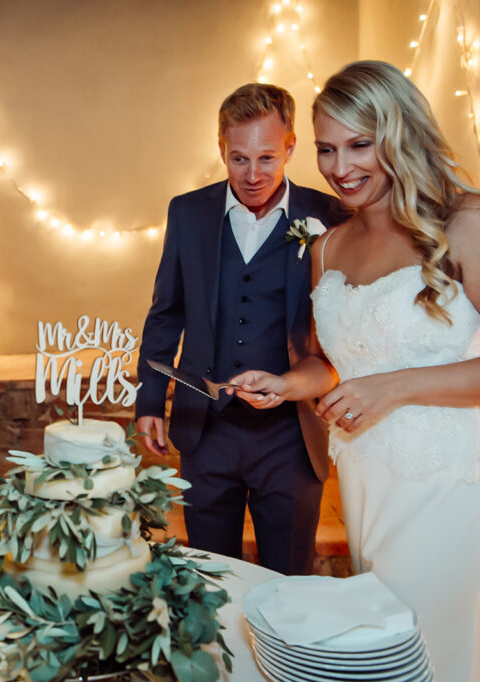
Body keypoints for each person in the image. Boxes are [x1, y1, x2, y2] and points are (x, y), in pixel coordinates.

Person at [231, 61, 480, 681]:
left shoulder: (469, 224)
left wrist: (396, 388)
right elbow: (334, 363)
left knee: (429, 640)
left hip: (445, 475)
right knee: (382, 643)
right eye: (327, 149)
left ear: (401, 132)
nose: (340, 167)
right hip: (365, 475)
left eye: (361, 144)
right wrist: (287, 384)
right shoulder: (328, 244)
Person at [134, 84, 349, 575]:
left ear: (291, 147)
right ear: (221, 149)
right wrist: (151, 400)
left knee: (289, 579)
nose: (253, 175)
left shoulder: (332, 217)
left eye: (268, 158)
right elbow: (167, 312)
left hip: (291, 436)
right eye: (239, 158)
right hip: (207, 431)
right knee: (211, 580)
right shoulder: (187, 213)